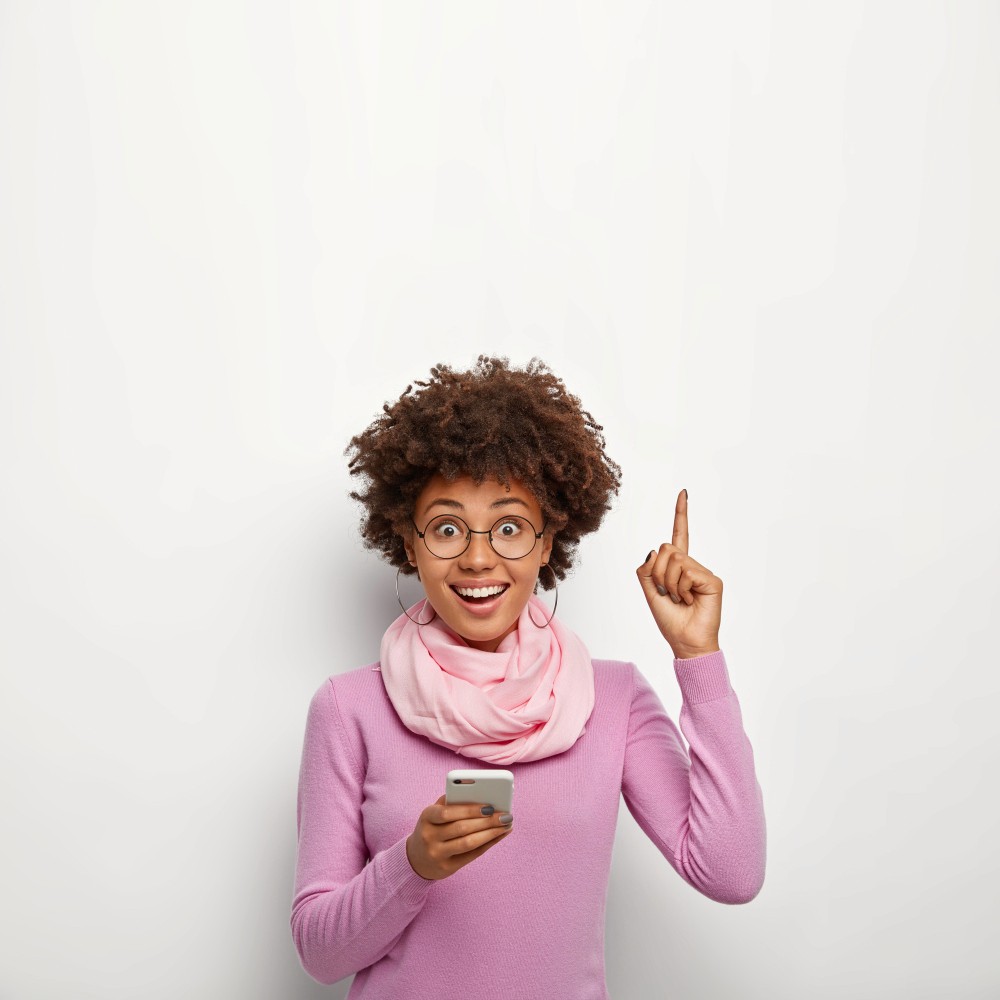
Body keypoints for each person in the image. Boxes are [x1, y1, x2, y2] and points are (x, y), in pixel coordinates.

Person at [290, 356, 766, 999]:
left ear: (547, 542)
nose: (478, 557)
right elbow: (320, 953)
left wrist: (698, 658)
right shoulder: (349, 708)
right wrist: (413, 865)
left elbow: (730, 873)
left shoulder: (615, 699)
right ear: (408, 542)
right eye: (448, 528)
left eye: (510, 527)